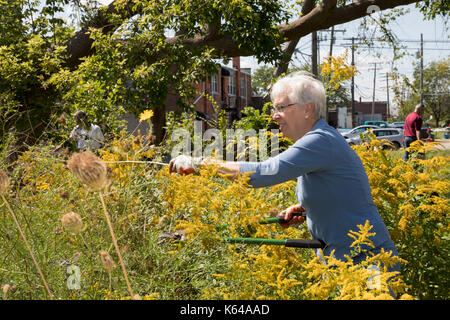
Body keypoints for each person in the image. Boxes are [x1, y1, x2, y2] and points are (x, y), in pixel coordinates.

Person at [169, 72, 399, 273]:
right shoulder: (319, 140)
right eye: (274, 108)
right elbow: (339, 191)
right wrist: (309, 210)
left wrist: (199, 163)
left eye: (281, 107)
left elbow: (263, 172)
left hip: (368, 262)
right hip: (342, 263)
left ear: (307, 109)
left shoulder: (320, 141)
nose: (274, 115)